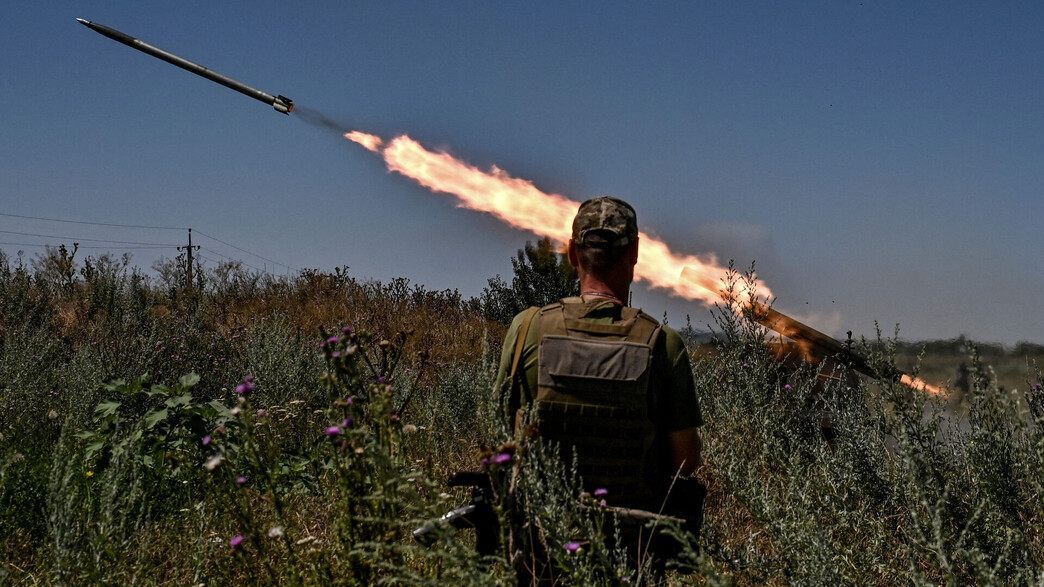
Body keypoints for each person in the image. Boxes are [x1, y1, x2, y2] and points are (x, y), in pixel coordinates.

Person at [493, 196, 704, 576]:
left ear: (572, 253)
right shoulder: (662, 343)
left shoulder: (527, 329)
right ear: (635, 253)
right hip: (630, 554)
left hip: (543, 547)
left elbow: (502, 428)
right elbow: (686, 461)